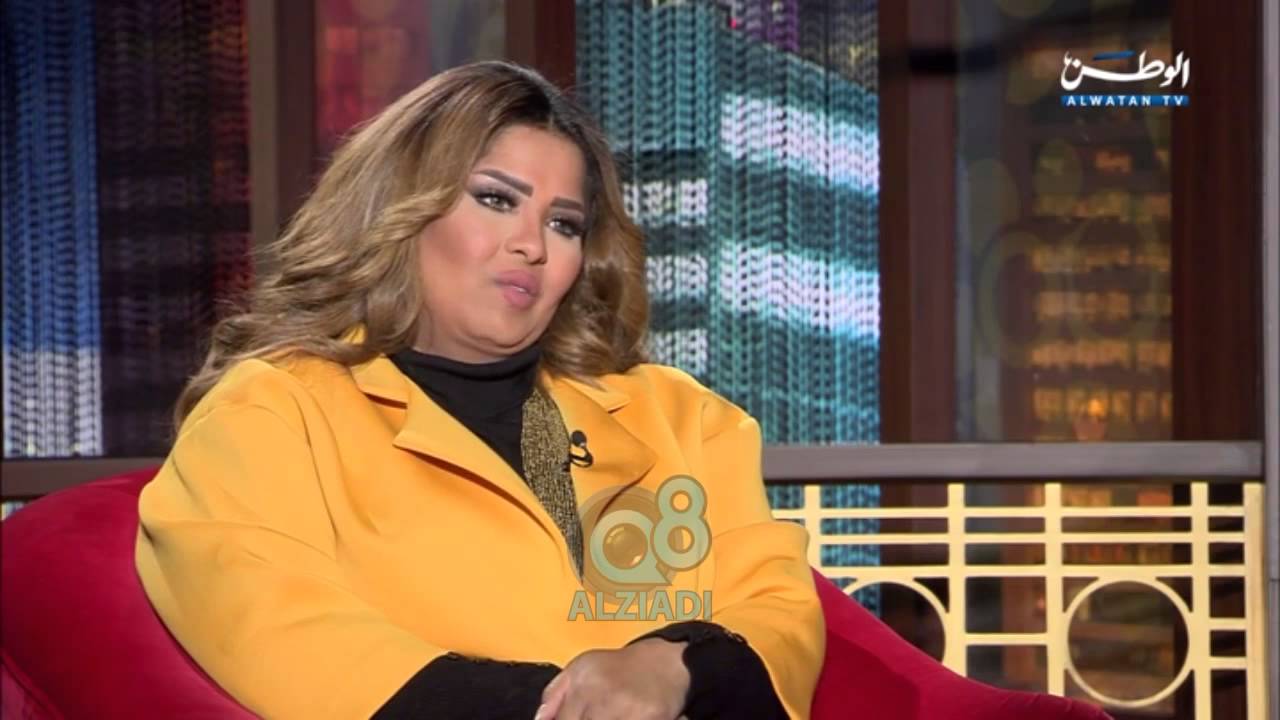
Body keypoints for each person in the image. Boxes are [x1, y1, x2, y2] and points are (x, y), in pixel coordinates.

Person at [135, 61, 824, 720]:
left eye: (563, 223)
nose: (532, 245)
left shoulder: (682, 415)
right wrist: (568, 707)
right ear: (401, 207)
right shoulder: (271, 408)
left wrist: (672, 665)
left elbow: (778, 607)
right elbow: (286, 639)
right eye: (496, 200)